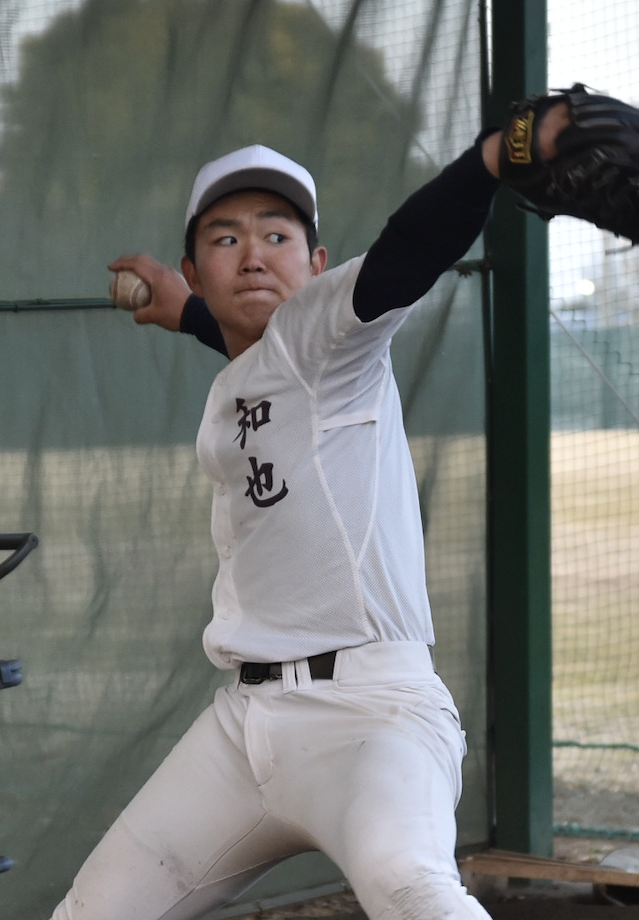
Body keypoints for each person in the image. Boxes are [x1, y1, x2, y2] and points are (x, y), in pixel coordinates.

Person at [50, 105, 568, 920]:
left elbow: (408, 254)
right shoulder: (255, 371)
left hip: (373, 715)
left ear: (319, 265)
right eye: (225, 239)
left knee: (410, 888)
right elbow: (256, 356)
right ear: (196, 263)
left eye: (277, 235)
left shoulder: (332, 340)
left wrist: (495, 161)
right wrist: (184, 308)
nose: (252, 252)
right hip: (244, 728)